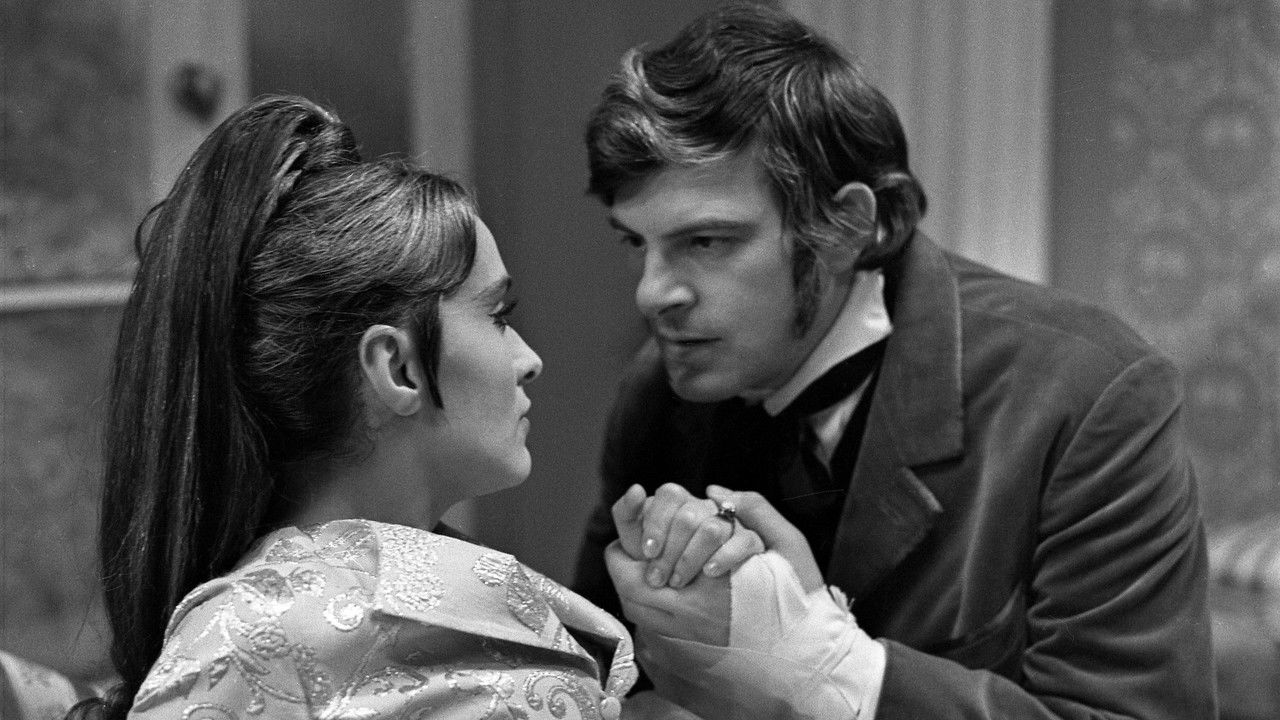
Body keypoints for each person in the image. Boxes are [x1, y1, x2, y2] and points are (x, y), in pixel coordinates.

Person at [572, 5, 1217, 719]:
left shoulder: (1087, 396)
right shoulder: (657, 393)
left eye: (706, 242)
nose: (652, 293)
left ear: (846, 225)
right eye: (637, 243)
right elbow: (591, 677)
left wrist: (831, 670)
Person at [68, 95, 638, 720]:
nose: (529, 359)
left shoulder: (430, 621)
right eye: (497, 315)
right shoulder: (251, 640)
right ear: (397, 368)